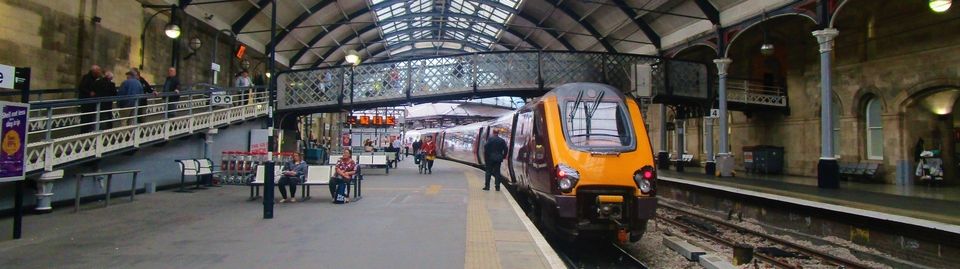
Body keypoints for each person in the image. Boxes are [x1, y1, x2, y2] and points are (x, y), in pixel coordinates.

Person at [78, 65, 102, 132]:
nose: (99, 72)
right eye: (98, 70)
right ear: (94, 71)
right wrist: (89, 92)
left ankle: (90, 130)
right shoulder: (87, 78)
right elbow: (81, 87)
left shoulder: (97, 78)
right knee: (86, 117)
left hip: (93, 101)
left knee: (91, 117)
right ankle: (84, 131)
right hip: (86, 101)